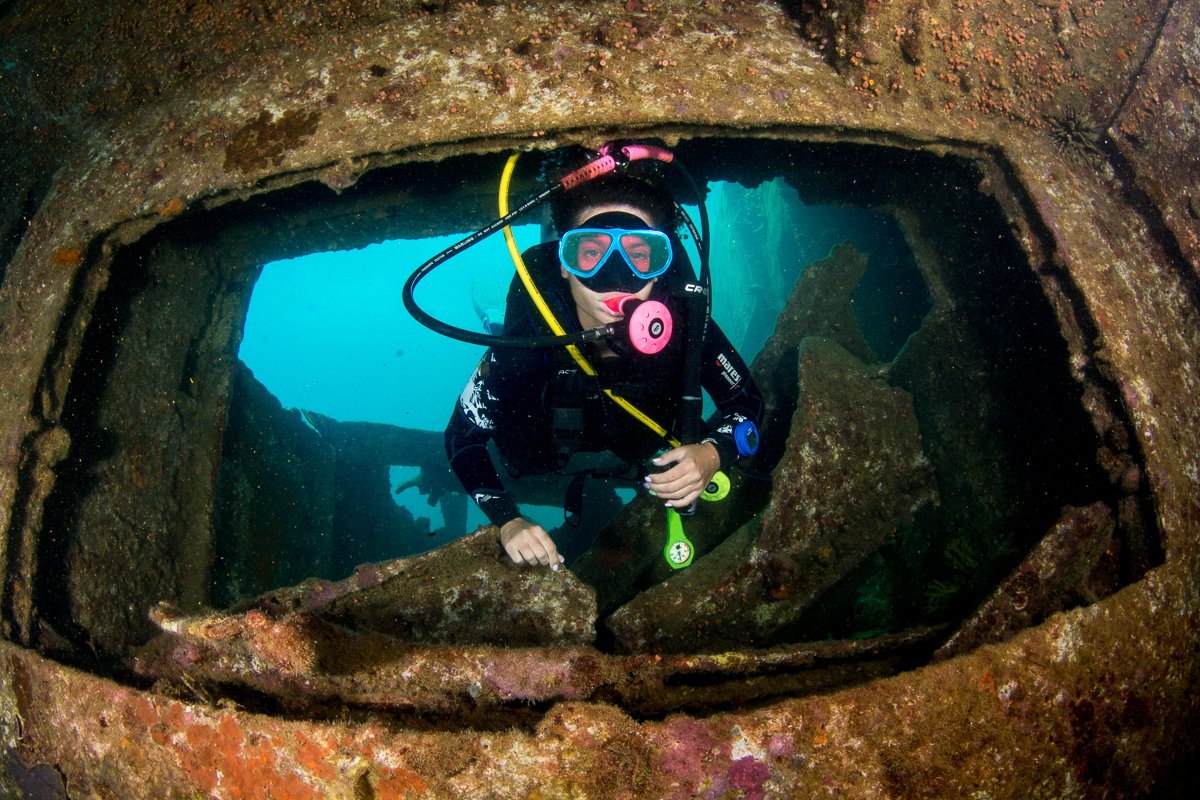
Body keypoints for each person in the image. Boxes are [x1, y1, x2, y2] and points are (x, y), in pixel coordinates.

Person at [444, 165, 763, 570]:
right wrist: (508, 520)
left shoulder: (685, 319)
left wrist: (712, 455)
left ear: (660, 266)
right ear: (564, 264)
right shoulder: (526, 339)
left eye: (640, 254)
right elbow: (461, 437)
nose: (616, 277)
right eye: (591, 252)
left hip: (634, 452)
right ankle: (490, 314)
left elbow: (748, 403)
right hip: (544, 458)